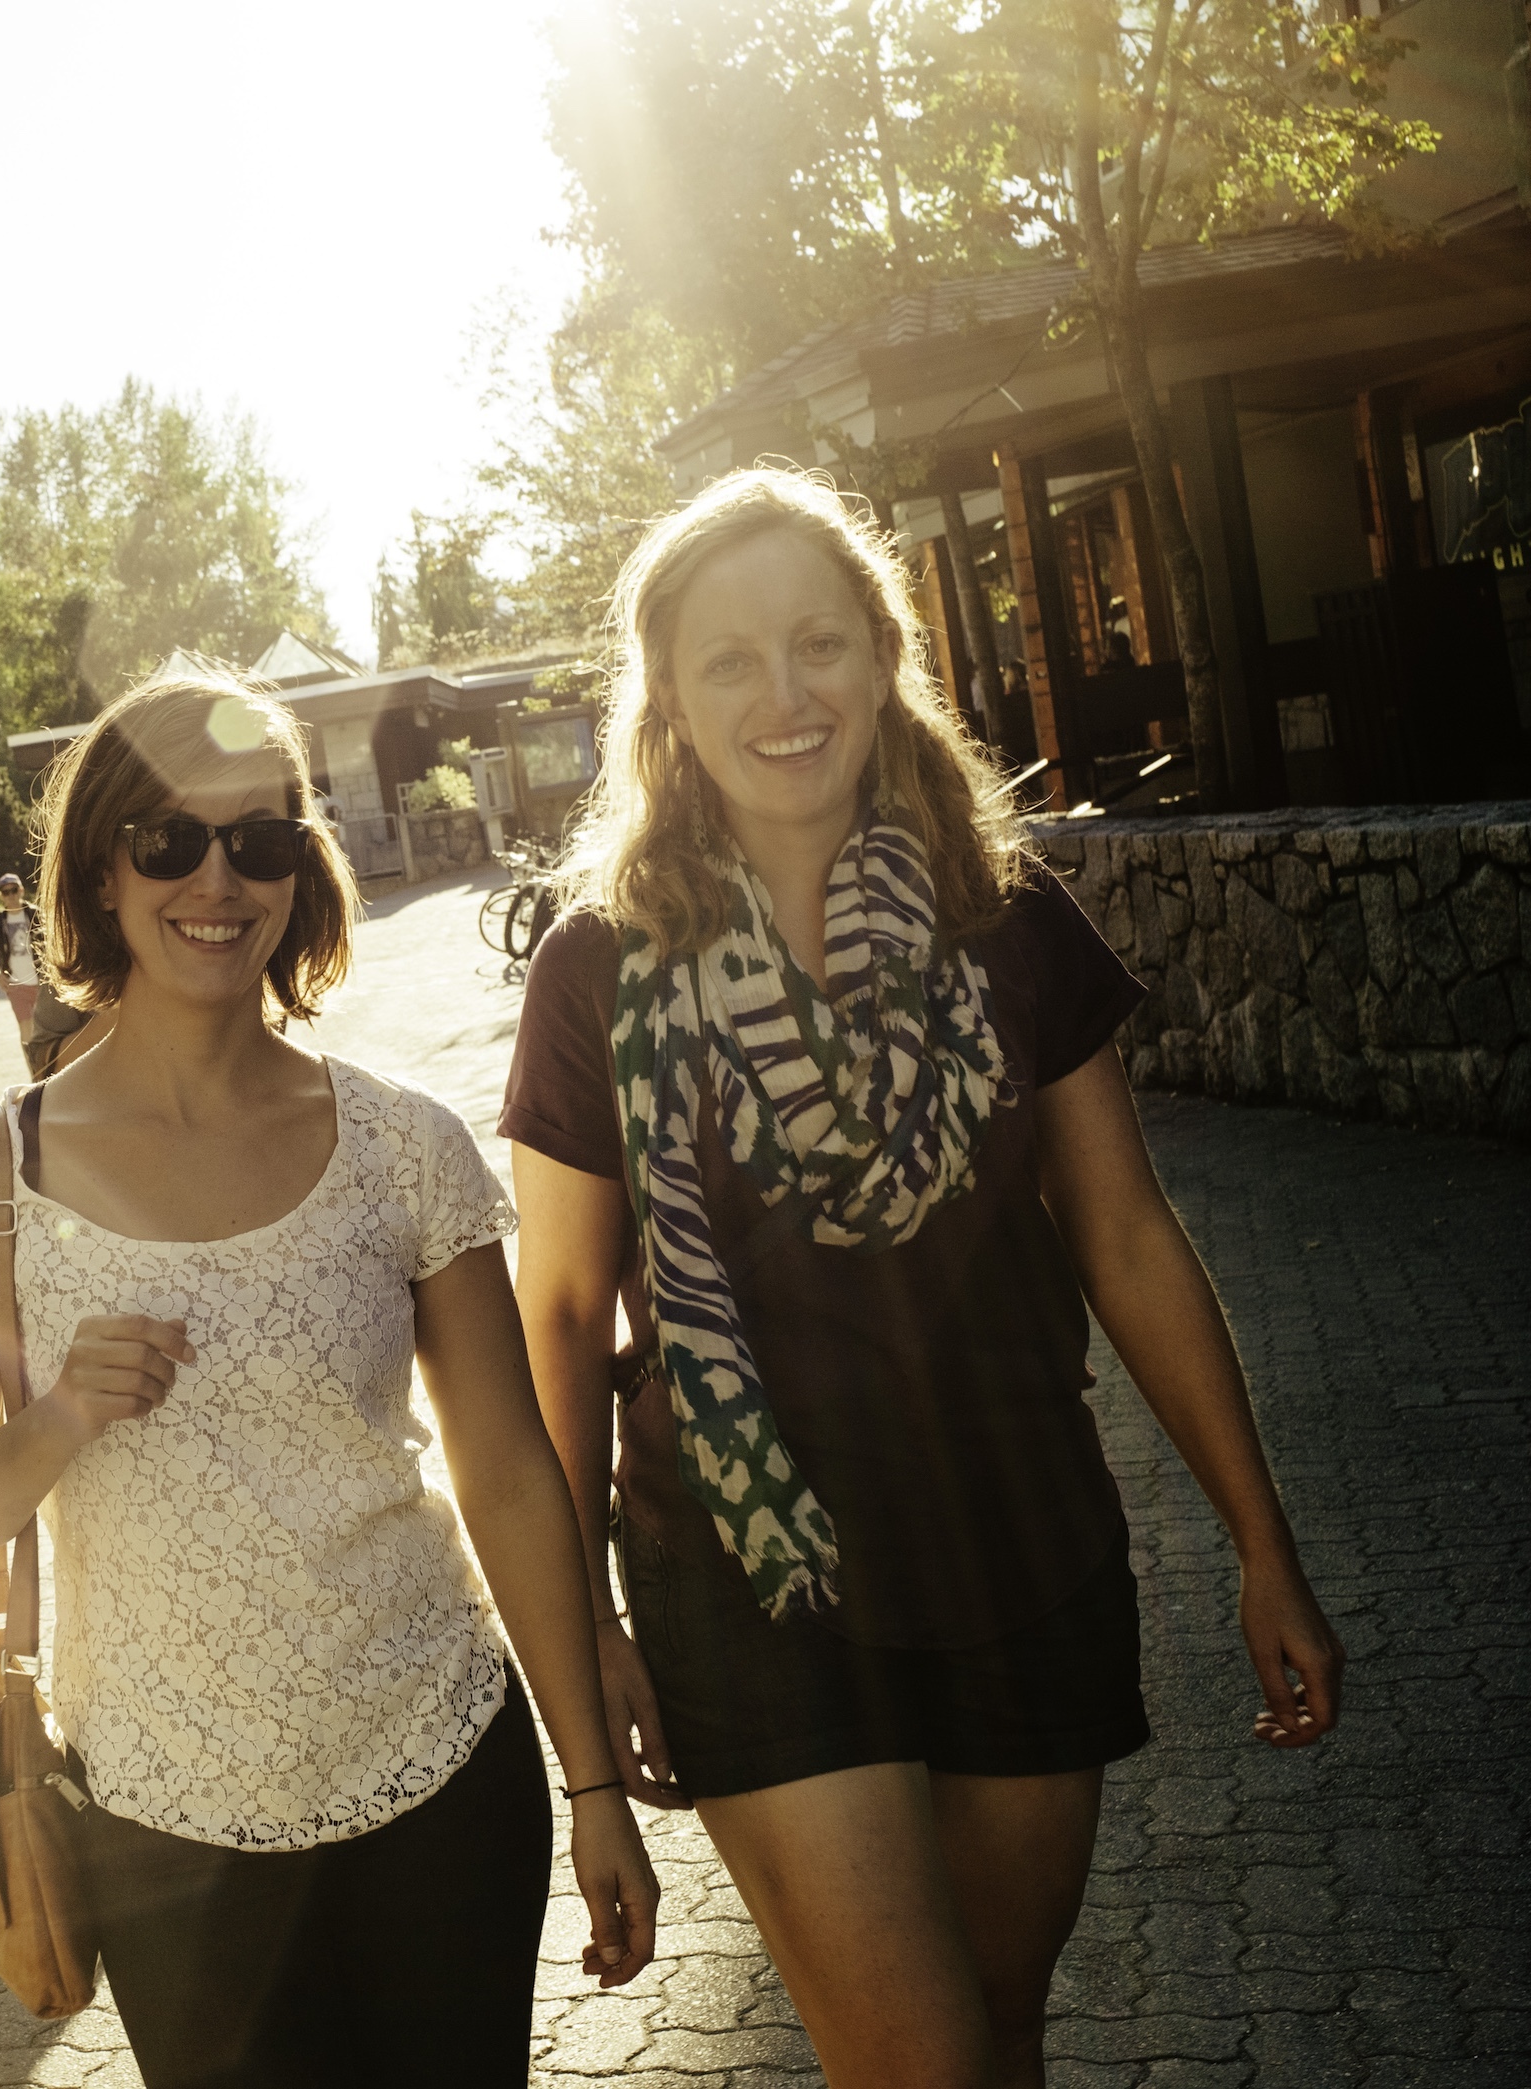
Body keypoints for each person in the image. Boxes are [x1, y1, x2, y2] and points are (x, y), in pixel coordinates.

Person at [500, 467, 1344, 2087]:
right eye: (731, 659)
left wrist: (1263, 1543)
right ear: (668, 699)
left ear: (884, 658)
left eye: (819, 642)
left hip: (1020, 1538)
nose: (786, 694)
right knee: (922, 2062)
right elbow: (559, 1311)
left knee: (1003, 2032)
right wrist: (584, 1623)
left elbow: (1127, 1237)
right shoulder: (600, 966)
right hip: (751, 1576)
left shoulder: (1007, 919)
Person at [0, 670, 657, 2089]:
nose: (216, 879)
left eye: (259, 840)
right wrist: (62, 1417)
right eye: (168, 841)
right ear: (101, 870)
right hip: (163, 1826)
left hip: (441, 1769)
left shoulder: (403, 1145)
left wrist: (594, 1777)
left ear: (302, 870)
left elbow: (504, 1471)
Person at [0, 871, 43, 1035]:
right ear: (1, 896)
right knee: (26, 1029)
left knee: (46, 1027)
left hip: (41, 982)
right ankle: (30, 1054)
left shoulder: (35, 914)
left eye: (14, 890)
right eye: (6, 892)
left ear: (21, 890)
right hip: (16, 984)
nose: (11, 895)